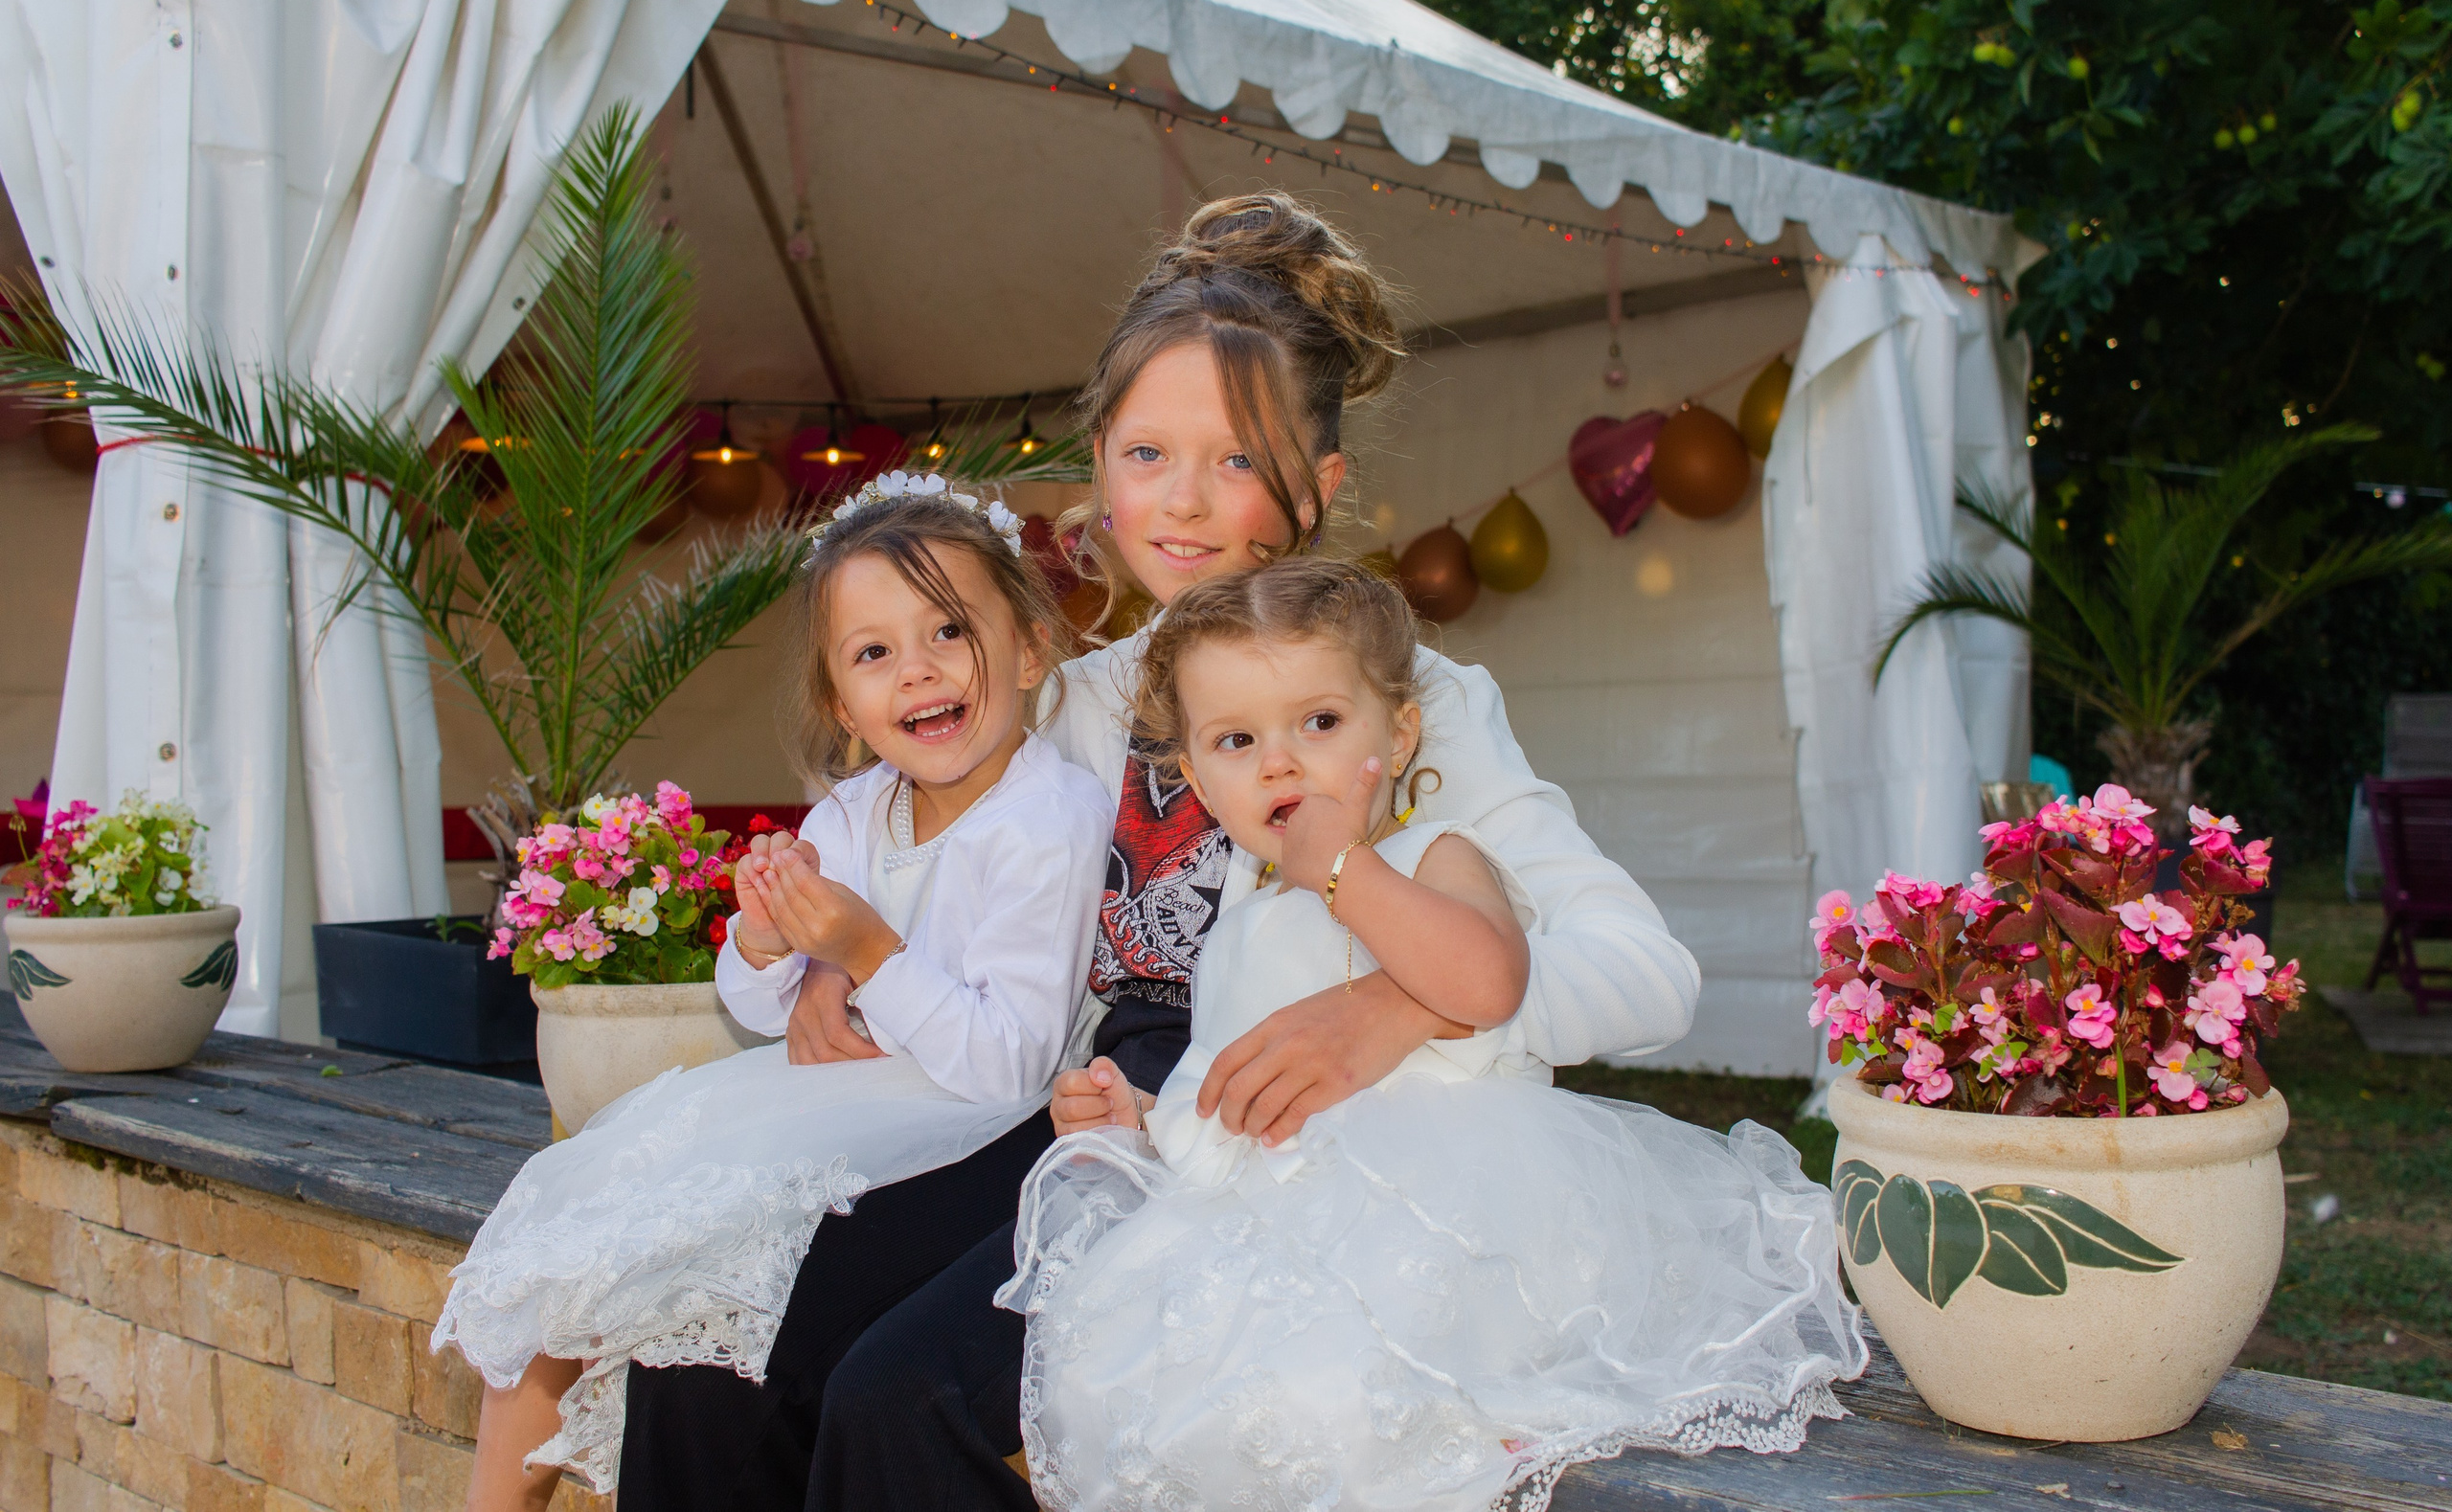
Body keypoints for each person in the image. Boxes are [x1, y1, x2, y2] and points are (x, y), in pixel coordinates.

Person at [620, 192, 1708, 1512]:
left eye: (1238, 461)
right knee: (703, 1345)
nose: (1183, 503)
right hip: (1072, 1113)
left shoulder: (1418, 703)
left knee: (899, 1393)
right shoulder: (1063, 704)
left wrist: (1395, 1002)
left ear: (1321, 487)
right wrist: (827, 964)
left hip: (1263, 1152)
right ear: (1099, 463)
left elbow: (1647, 972)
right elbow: (939, 887)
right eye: (1147, 452)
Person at [1002, 559, 1864, 1512]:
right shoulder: (1239, 923)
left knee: (1337, 1401)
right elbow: (1233, 1088)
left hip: (1443, 1221)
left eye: (1319, 723)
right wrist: (1142, 1120)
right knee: (1139, 1390)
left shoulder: (1432, 855)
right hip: (1279, 1237)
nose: (1280, 762)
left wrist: (1345, 874)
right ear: (1197, 777)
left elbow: (1489, 982)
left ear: (1399, 732)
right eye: (1237, 740)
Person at [432, 481, 1111, 1508]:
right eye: (873, 653)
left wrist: (868, 952)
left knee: (685, 1292)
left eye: (948, 632)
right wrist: (763, 937)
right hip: (840, 1112)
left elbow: (1012, 1061)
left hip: (974, 1126)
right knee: (585, 1249)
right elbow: (753, 1004)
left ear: (1026, 649)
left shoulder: (1047, 817)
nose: (916, 668)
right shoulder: (852, 812)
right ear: (843, 703)